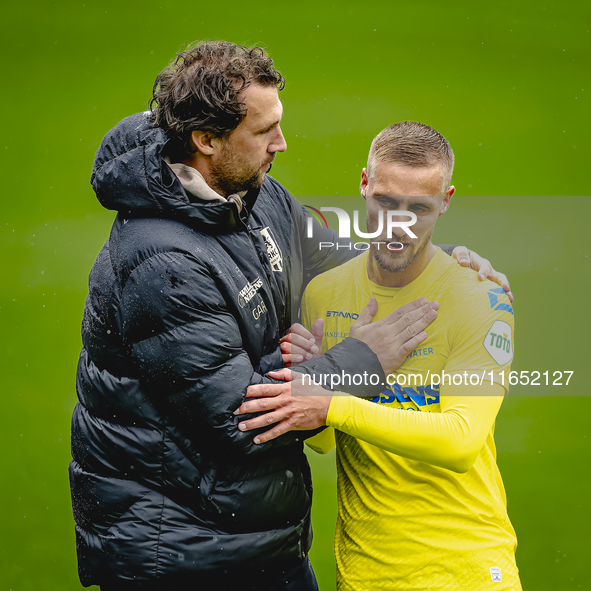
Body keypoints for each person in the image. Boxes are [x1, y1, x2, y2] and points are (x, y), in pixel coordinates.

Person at [70, 40, 511, 590]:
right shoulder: (162, 261)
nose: (282, 142)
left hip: (252, 537)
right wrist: (358, 360)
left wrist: (449, 270)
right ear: (205, 140)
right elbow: (244, 417)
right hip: (181, 553)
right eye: (263, 131)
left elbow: (352, 259)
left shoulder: (253, 192)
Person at [237, 121, 522, 590]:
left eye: (419, 209)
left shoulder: (480, 297)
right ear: (364, 184)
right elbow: (324, 441)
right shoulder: (324, 291)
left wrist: (328, 400)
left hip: (465, 567)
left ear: (446, 201)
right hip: (364, 571)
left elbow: (460, 441)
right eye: (386, 202)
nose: (399, 225)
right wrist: (312, 374)